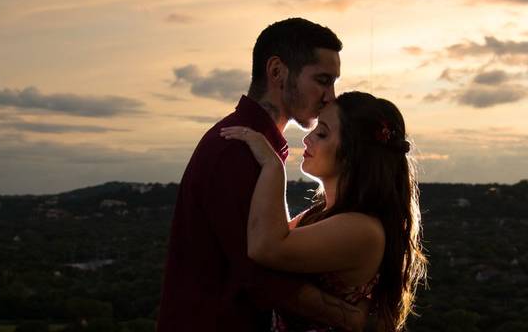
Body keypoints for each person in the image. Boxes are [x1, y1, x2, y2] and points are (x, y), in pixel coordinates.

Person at [158, 18, 369, 332]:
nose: (330, 96)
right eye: (323, 80)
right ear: (277, 72)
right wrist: (354, 319)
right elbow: (261, 277)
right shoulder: (235, 148)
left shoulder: (261, 148)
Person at [221, 91, 427, 332]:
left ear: (351, 155)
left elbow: (265, 246)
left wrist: (273, 166)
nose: (307, 139)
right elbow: (271, 243)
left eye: (322, 133)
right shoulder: (320, 215)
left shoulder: (362, 229)